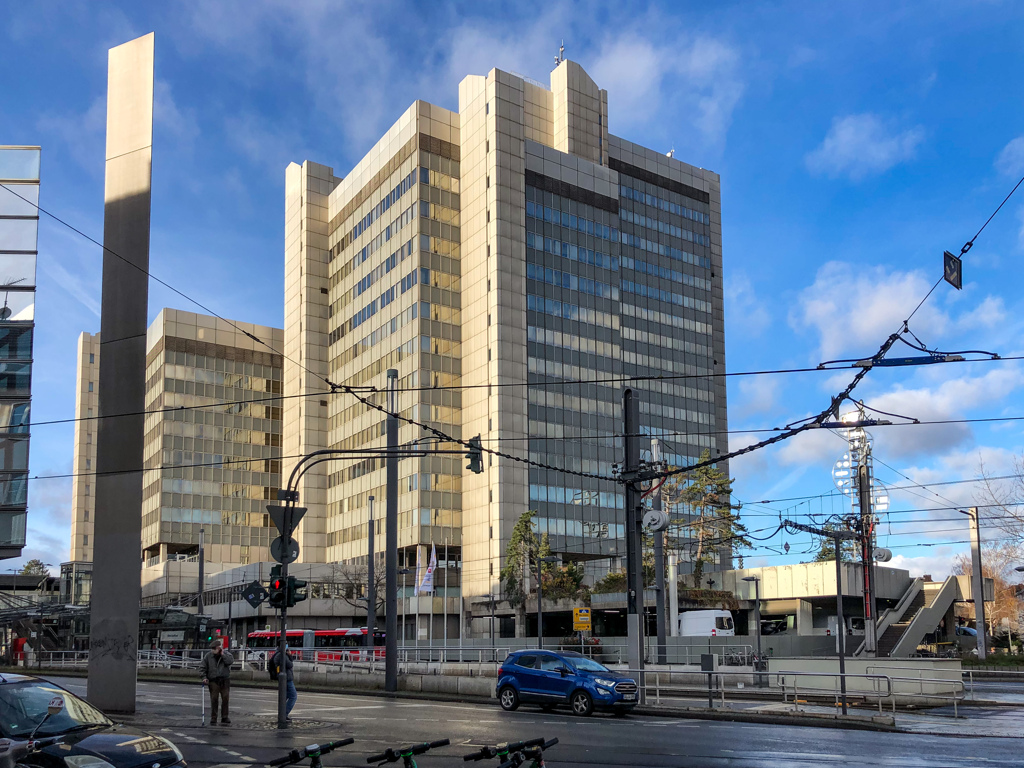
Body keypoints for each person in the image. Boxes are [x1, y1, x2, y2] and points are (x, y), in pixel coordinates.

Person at [201, 640, 234, 725]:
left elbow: (230, 661)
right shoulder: (208, 656)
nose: (212, 650)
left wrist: (223, 655)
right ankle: (214, 717)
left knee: (225, 698)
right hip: (213, 680)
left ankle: (225, 717)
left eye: (214, 648)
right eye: (212, 648)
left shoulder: (227, 655)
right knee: (214, 699)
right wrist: (204, 677)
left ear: (219, 648)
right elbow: (202, 667)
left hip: (224, 680)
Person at [269, 648, 297, 718]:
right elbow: (290, 664)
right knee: (293, 696)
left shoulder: (278, 654)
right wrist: (289, 655)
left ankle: (282, 713)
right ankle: (284, 714)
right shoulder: (282, 655)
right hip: (287, 678)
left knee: (285, 696)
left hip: (285, 678)